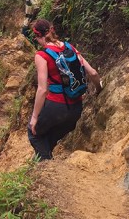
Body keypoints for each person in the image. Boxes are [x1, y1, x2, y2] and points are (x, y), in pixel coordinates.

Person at [27, 18, 102, 160]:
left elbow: (42, 89)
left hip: (56, 107)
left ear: (38, 36)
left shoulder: (42, 55)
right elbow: (93, 73)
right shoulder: (70, 47)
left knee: (33, 132)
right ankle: (43, 161)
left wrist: (35, 117)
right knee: (50, 138)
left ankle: (45, 167)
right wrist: (99, 90)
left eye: (36, 38)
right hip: (76, 109)